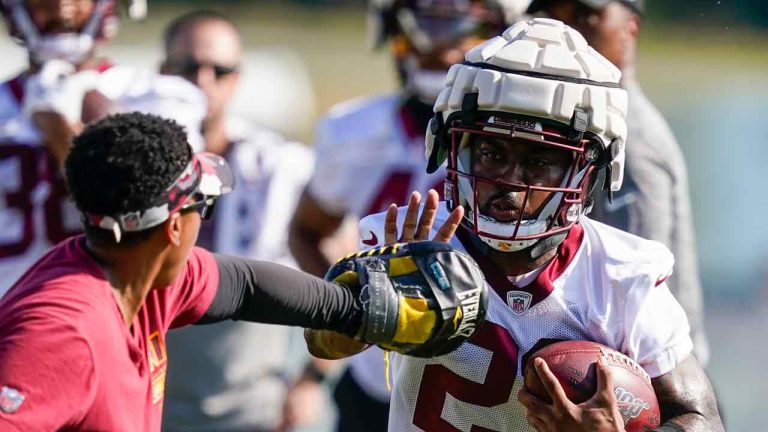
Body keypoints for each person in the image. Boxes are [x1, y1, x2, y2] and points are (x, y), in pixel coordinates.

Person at [306, 18, 724, 431]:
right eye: (490, 152)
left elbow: (701, 419)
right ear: (452, 148)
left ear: (588, 171)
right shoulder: (416, 246)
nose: (509, 179)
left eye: (538, 160)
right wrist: (372, 309)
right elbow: (322, 339)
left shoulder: (622, 278)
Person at [0, 112, 461, 431]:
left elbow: (244, 286)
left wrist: (359, 308)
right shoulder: (62, 333)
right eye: (205, 205)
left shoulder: (137, 272)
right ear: (176, 228)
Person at [287, 1, 528, 430]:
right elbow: (307, 229)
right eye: (422, 25)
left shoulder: (520, 143)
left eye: (459, 27)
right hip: (373, 389)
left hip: (479, 389)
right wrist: (361, 306)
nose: (437, 47)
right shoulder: (353, 130)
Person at [157, 11, 319, 432]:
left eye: (220, 70)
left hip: (255, 410)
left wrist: (312, 379)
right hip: (151, 404)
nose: (203, 81)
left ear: (237, 79)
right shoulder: (132, 168)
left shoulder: (280, 166)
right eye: (189, 67)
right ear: (162, 72)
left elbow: (342, 272)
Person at [526, 0, 709, 365]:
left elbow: (630, 297)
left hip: (652, 381)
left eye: (584, 16)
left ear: (631, 29)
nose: (565, 33)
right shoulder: (586, 128)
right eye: (554, 16)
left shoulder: (628, 143)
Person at [0, 0, 206, 295]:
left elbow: (141, 203)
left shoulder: (159, 97)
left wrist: (60, 126)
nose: (62, 6)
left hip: (108, 306)